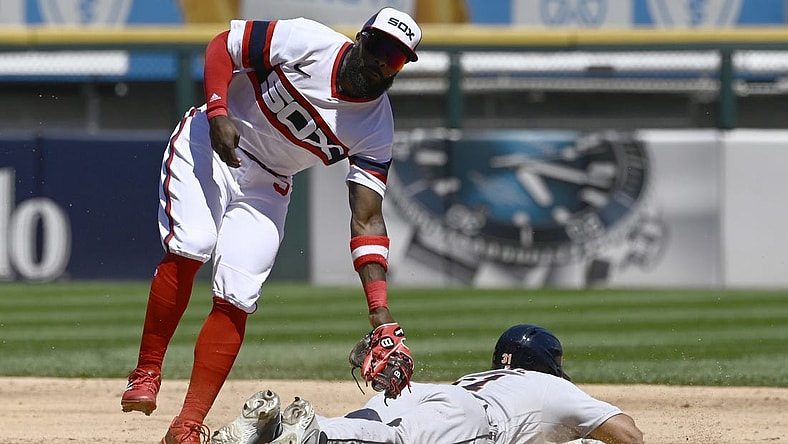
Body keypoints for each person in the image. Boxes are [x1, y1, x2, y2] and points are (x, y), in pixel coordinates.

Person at [120, 7, 422, 443]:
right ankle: (147, 370)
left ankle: (186, 426)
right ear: (360, 38)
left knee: (238, 294)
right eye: (378, 48)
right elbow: (223, 45)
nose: (380, 63)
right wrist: (219, 110)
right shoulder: (309, 42)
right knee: (193, 244)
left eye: (394, 59)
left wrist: (380, 313)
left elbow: (368, 216)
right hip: (211, 138)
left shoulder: (376, 126)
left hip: (269, 183)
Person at [212, 324, 644, 444]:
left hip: (432, 393)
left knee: (374, 430)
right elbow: (627, 434)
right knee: (391, 442)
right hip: (475, 420)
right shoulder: (554, 388)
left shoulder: (485, 377)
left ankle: (270, 429)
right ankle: (312, 435)